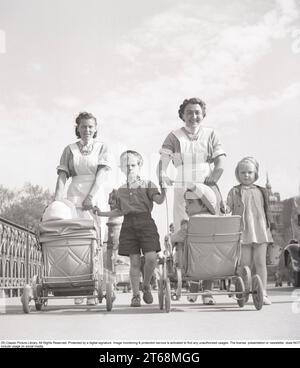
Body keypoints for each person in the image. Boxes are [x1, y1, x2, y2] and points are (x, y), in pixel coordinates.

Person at [94, 150, 166, 307]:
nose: (130, 168)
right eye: (126, 166)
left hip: (146, 222)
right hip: (128, 225)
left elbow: (159, 200)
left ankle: (146, 285)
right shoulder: (120, 190)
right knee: (133, 261)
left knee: (151, 258)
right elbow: (119, 211)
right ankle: (135, 295)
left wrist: (164, 188)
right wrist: (102, 213)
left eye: (133, 165)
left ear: (139, 165)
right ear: (121, 168)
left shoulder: (148, 184)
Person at [54, 112, 111, 305]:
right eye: (83, 126)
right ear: (77, 128)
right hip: (74, 197)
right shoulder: (69, 149)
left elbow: (102, 174)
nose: (87, 130)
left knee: (95, 243)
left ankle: (93, 289)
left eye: (90, 127)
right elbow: (62, 177)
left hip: (94, 196)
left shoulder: (102, 147)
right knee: (76, 242)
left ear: (95, 129)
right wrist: (57, 201)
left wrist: (91, 197)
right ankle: (79, 287)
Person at [158, 97, 226, 232]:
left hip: (205, 181)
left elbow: (220, 161)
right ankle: (182, 251)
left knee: (209, 221)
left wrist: (215, 175)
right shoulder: (173, 136)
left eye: (197, 112)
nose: (193, 116)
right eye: (189, 112)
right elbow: (163, 163)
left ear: (203, 115)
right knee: (182, 223)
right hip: (183, 181)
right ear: (182, 115)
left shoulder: (210, 134)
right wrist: (163, 176)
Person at [226, 157, 274, 305]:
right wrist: (224, 208)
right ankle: (243, 290)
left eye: (249, 172)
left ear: (255, 174)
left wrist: (270, 226)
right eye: (243, 172)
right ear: (237, 174)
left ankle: (263, 292)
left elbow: (267, 210)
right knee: (245, 263)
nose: (246, 175)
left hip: (260, 229)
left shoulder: (262, 191)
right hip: (243, 230)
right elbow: (228, 208)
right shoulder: (234, 191)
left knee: (260, 262)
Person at [171, 183, 218, 305]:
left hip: (193, 260)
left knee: (194, 263)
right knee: (208, 265)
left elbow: (179, 237)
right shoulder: (218, 221)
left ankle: (193, 291)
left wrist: (170, 238)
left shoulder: (188, 223)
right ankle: (207, 292)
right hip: (214, 260)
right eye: (186, 203)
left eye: (190, 203)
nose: (186, 207)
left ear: (203, 204)